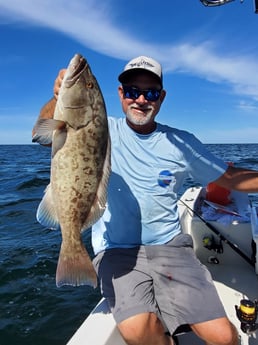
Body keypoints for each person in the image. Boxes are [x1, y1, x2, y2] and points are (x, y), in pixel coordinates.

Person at [33, 55, 258, 345]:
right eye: (131, 91)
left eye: (150, 92)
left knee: (224, 337)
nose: (140, 99)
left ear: (161, 97)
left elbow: (229, 178)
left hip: (171, 248)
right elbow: (42, 134)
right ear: (119, 94)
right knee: (141, 331)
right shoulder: (102, 129)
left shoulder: (180, 142)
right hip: (117, 251)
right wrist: (57, 98)